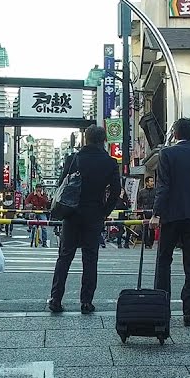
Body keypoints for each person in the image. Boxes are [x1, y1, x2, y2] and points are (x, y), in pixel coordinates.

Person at [49, 125, 121, 315]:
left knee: (65, 257)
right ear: (103, 140)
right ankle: (86, 302)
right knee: (90, 259)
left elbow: (62, 184)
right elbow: (115, 191)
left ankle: (56, 299)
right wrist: (104, 211)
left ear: (85, 139)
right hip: (94, 214)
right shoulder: (110, 162)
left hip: (71, 214)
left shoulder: (73, 159)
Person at [151, 118, 190, 326]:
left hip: (171, 213)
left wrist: (156, 213)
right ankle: (188, 312)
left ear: (175, 134)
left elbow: (164, 186)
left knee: (164, 260)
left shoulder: (166, 153)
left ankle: (162, 308)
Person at [137, 175, 157, 249]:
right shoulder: (141, 192)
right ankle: (146, 243)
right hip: (144, 212)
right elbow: (139, 203)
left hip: (153, 212)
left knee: (152, 228)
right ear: (146, 183)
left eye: (153, 181)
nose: (152, 183)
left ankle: (151, 243)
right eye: (151, 181)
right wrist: (139, 213)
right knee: (145, 229)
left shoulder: (156, 191)